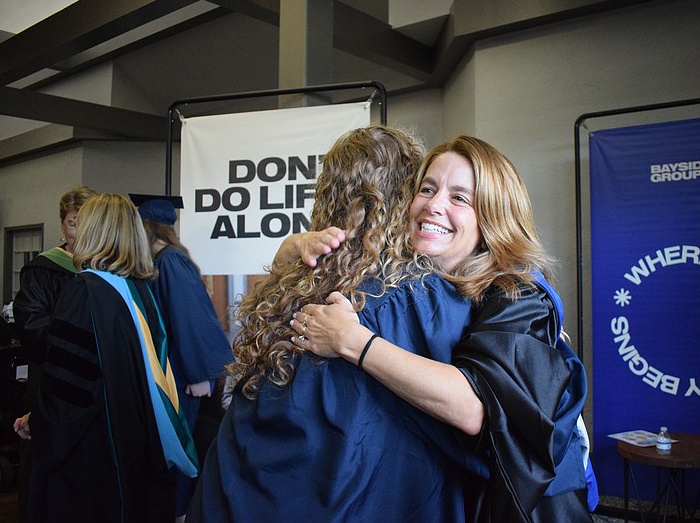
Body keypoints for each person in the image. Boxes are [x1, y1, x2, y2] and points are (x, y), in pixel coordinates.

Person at [188, 126, 488, 522]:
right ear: (405, 195)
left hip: (238, 489)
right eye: (425, 189)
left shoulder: (292, 281)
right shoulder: (416, 295)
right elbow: (478, 417)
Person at [289, 136, 593, 522]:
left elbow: (474, 409)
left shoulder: (519, 295)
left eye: (460, 198)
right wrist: (292, 247)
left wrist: (351, 341)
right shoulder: (427, 281)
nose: (434, 205)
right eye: (427, 189)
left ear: (494, 216)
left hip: (529, 504)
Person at [14, 193, 198, 522]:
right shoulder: (137, 288)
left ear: (94, 232)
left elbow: (71, 387)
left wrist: (39, 421)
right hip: (134, 437)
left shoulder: (86, 290)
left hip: (94, 448)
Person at [130, 193, 234, 521]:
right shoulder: (163, 261)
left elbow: (190, 317)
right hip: (172, 371)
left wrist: (200, 374)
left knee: (182, 447)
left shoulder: (171, 261)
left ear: (146, 228)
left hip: (184, 374)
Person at [11, 184, 96, 522]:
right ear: (63, 224)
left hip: (92, 385)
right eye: (73, 223)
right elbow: (31, 326)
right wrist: (80, 340)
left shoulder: (105, 270)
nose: (79, 231)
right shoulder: (44, 269)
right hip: (54, 378)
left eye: (86, 223)